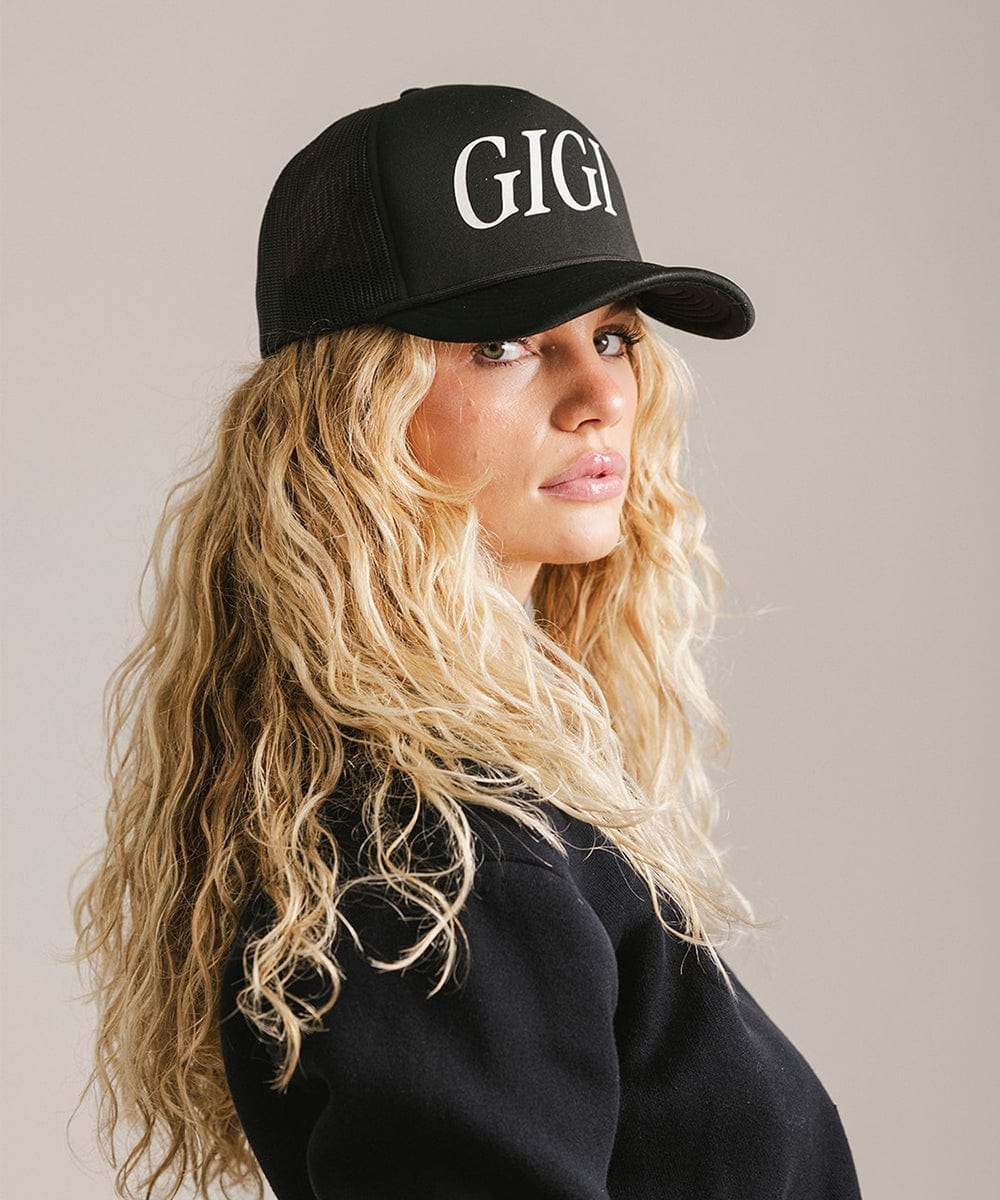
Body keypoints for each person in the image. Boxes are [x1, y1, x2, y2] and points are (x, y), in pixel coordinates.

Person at [74, 84, 862, 1199]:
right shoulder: (435, 852)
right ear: (351, 417)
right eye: (502, 344)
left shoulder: (489, 816)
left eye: (614, 336)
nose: (597, 395)